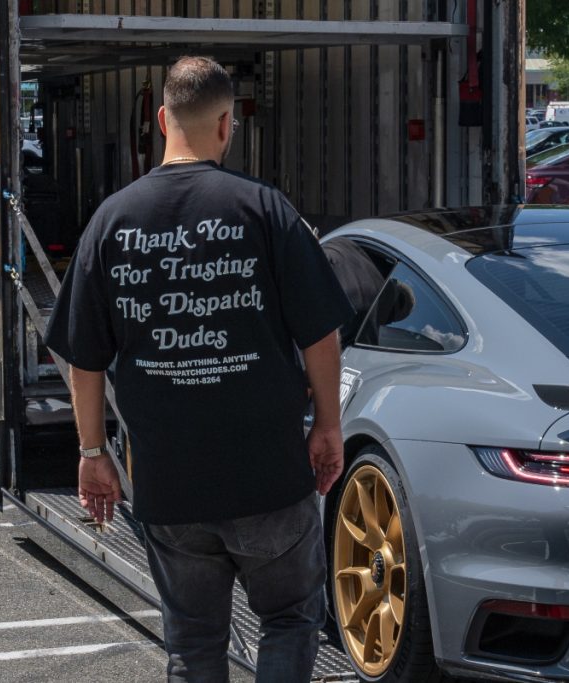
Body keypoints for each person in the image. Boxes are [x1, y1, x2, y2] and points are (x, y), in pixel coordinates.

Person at [44, 55, 354, 683]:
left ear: (162, 120)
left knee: (192, 645)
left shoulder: (111, 221)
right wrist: (327, 424)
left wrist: (92, 450)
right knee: (292, 618)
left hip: (170, 486)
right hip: (268, 477)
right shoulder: (265, 210)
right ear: (227, 124)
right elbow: (322, 331)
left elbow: (84, 357)